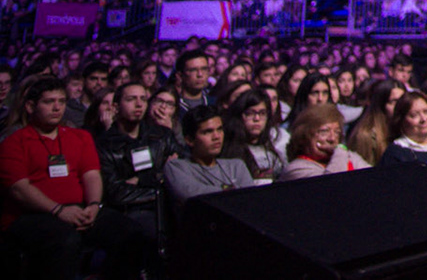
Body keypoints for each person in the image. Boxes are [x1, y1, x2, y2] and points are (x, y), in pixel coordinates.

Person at [1, 75, 148, 280]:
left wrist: (94, 206)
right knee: (65, 239)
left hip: (80, 208)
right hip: (32, 216)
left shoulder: (79, 136)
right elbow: (19, 189)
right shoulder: (14, 142)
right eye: (49, 102)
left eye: (61, 101)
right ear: (30, 106)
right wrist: (59, 210)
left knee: (130, 232)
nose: (57, 108)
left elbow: (91, 175)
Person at [96, 81, 171, 249]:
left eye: (143, 99)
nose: (139, 104)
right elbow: (115, 193)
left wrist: (140, 180)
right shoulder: (104, 144)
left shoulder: (162, 136)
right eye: (131, 99)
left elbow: (182, 169)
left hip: (165, 205)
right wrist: (160, 181)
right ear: (115, 107)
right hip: (130, 211)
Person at [163, 107, 251, 204]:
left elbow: (250, 198)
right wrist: (234, 191)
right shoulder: (177, 167)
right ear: (189, 140)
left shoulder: (236, 166)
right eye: (208, 132)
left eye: (220, 129)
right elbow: (196, 197)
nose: (217, 137)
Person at [278, 103, 370, 179]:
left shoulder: (347, 156)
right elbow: (330, 189)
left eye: (337, 132)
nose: (332, 139)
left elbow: (373, 180)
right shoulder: (296, 169)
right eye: (324, 132)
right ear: (304, 136)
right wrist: (340, 151)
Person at [222, 89, 284, 184]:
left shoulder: (271, 149)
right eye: (250, 113)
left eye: (262, 113)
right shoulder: (230, 152)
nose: (257, 119)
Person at [381, 92, 427, 167]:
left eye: (426, 112)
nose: (423, 119)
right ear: (401, 121)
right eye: (414, 115)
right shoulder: (394, 155)